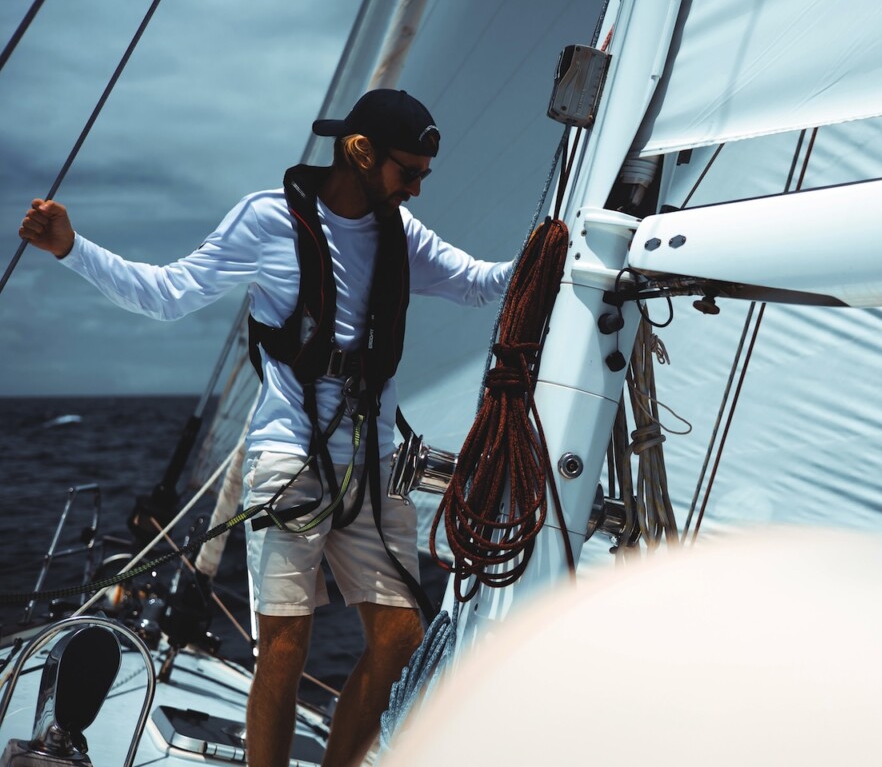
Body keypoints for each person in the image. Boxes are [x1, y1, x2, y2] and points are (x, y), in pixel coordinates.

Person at [18, 88, 513, 766]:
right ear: (361, 152)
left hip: (370, 462)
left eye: (424, 175)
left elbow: (483, 282)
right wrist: (71, 249)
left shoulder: (403, 235)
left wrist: (559, 249)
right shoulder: (268, 220)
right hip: (287, 457)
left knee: (400, 638)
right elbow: (166, 295)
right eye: (409, 172)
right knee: (285, 645)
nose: (418, 190)